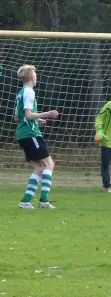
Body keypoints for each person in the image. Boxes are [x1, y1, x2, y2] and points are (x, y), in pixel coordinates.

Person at [14, 65, 61, 209]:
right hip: (30, 134)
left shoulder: (20, 93)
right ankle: (44, 201)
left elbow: (18, 117)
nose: (36, 77)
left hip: (23, 134)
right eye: (35, 74)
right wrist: (46, 114)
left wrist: (36, 120)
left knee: (40, 168)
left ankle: (25, 201)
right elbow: (28, 115)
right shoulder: (29, 92)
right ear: (31, 77)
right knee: (49, 165)